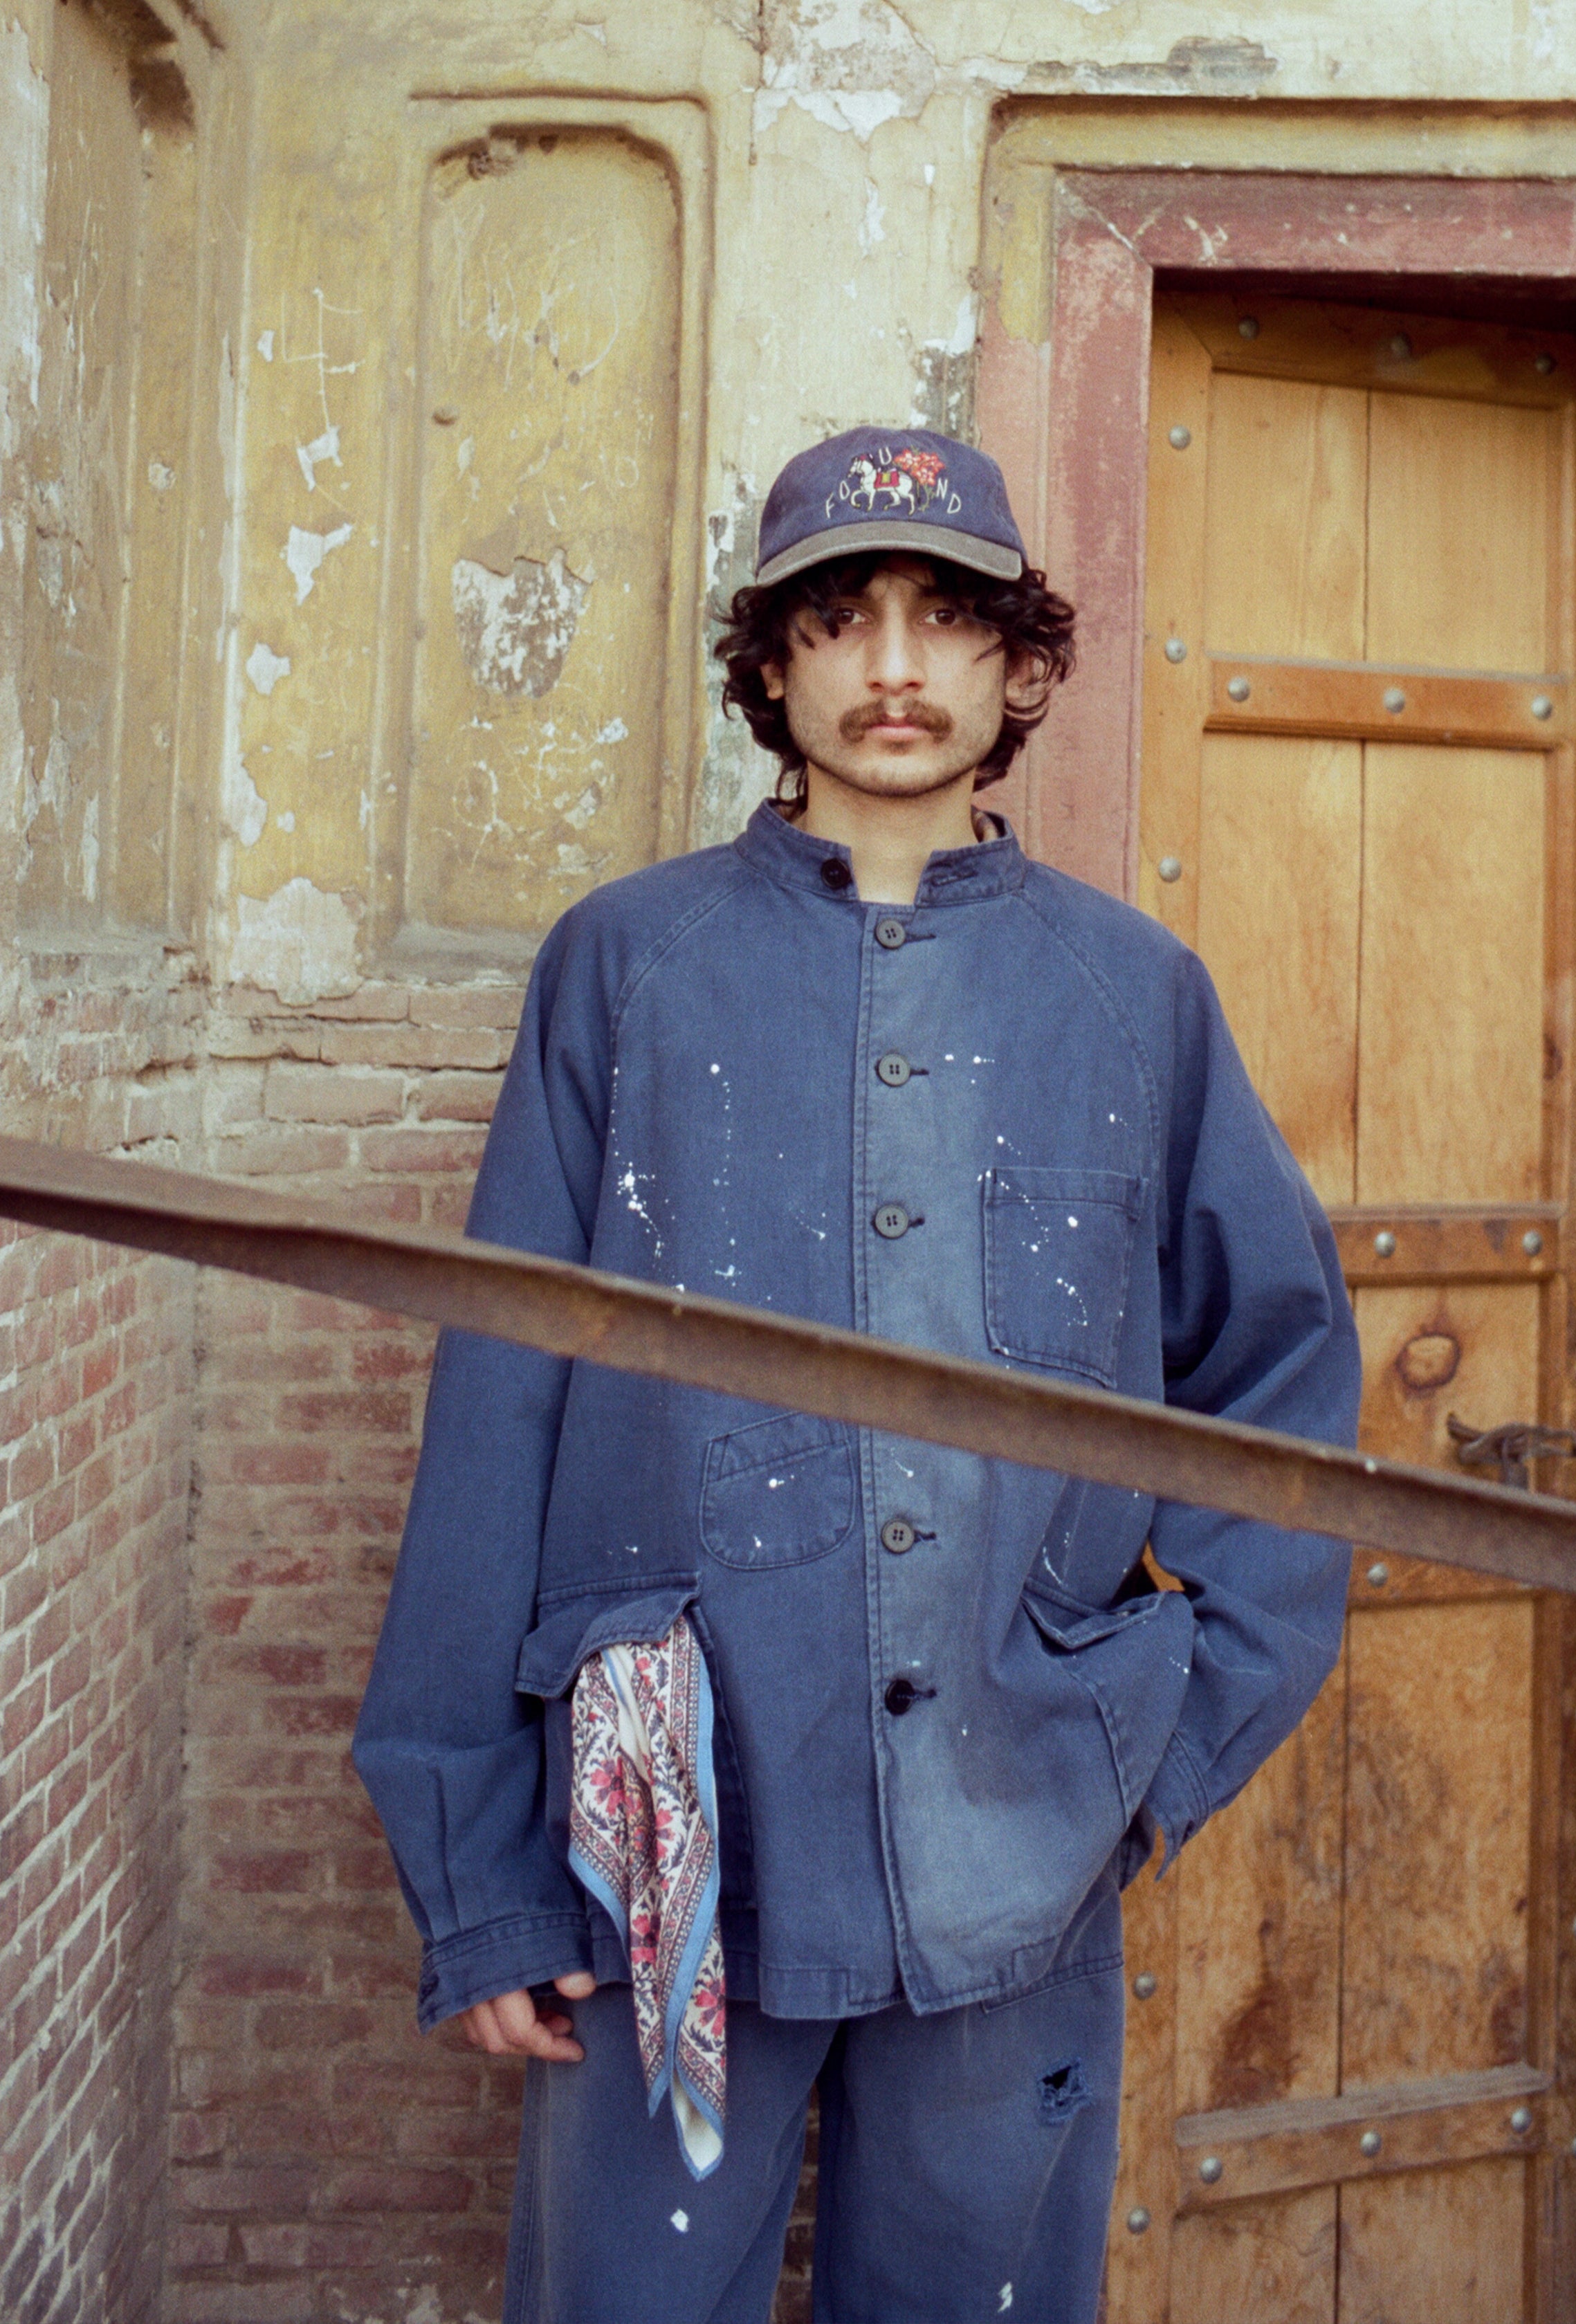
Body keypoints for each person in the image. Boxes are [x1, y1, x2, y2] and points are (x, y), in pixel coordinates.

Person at [353, 425, 1362, 2323]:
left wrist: (1152, 1735)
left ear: (1018, 666)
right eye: (841, 617)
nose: (895, 666)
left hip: (1021, 1838)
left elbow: (1284, 1379)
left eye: (946, 619)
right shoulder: (627, 970)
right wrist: (480, 1866)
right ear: (772, 667)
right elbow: (502, 1404)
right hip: (668, 1858)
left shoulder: (1131, 996)